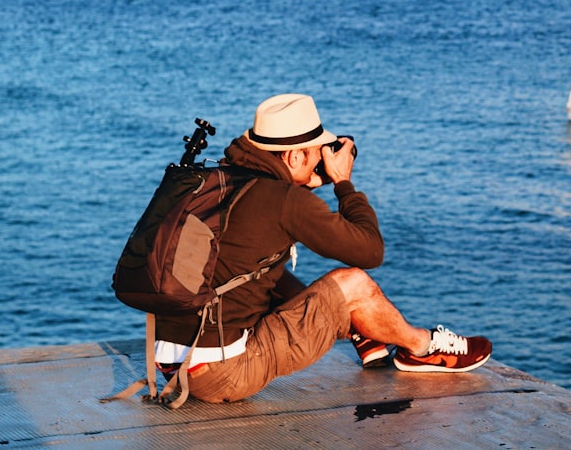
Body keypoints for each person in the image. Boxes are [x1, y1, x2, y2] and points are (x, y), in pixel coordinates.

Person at [154, 93, 492, 403]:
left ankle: (363, 333)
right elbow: (370, 251)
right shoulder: (286, 201)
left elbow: (270, 219)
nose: (322, 160)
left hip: (170, 364)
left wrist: (304, 182)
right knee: (354, 282)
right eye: (317, 152)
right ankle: (422, 348)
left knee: (267, 268)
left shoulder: (217, 179)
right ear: (295, 154)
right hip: (222, 376)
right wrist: (344, 184)